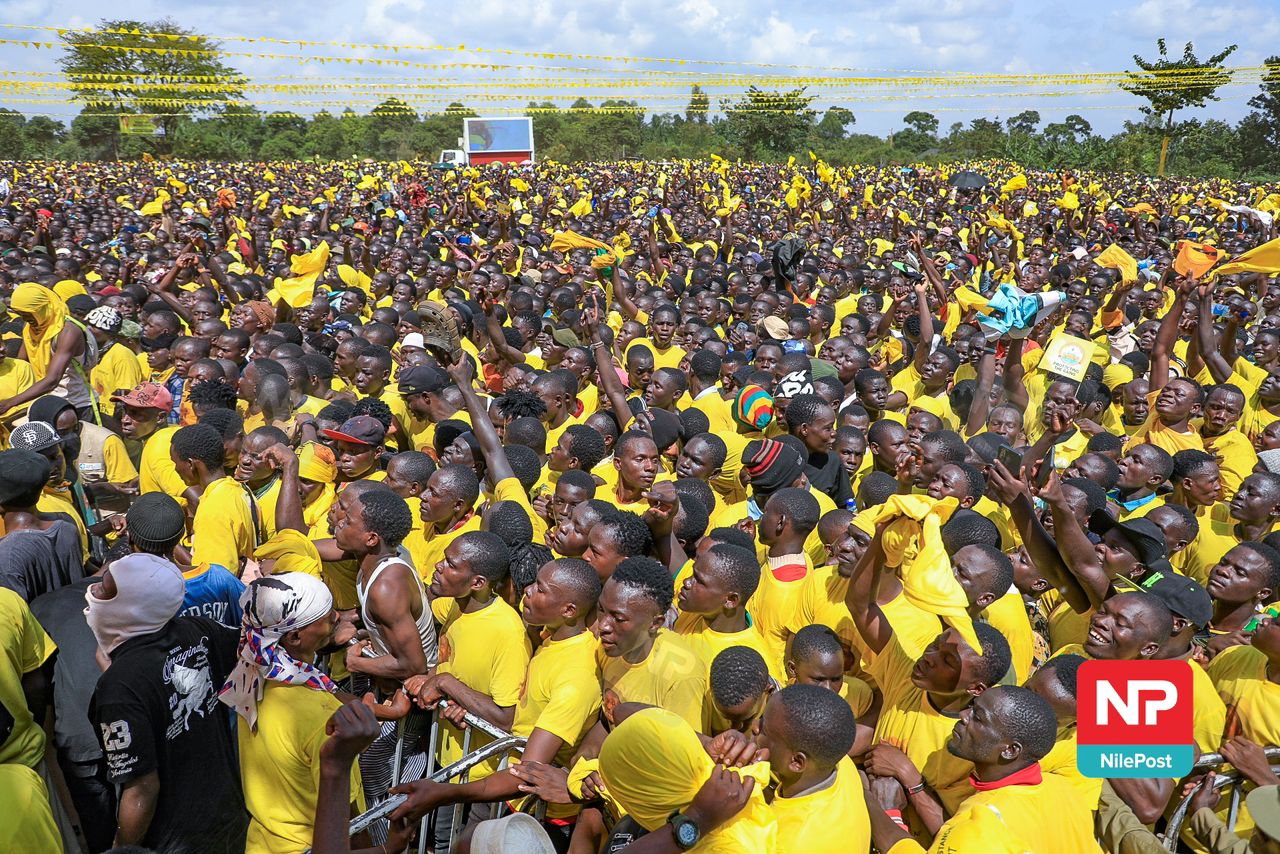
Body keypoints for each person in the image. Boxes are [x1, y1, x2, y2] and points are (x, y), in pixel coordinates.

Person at [87, 552, 248, 852]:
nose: (93, 590)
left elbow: (141, 789)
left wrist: (123, 847)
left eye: (105, 589)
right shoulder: (198, 630)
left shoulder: (118, 690)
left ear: (132, 607)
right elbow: (248, 648)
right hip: (228, 817)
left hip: (174, 842)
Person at [865, 686, 1103, 853]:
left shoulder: (982, 822)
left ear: (1010, 750)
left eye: (978, 718)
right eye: (972, 706)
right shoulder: (1062, 789)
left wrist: (880, 806)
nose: (963, 716)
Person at [221, 573, 357, 854]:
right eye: (326, 616)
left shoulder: (252, 674)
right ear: (295, 636)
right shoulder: (325, 718)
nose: (336, 617)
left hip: (261, 843)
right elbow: (350, 820)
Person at [757, 684, 870, 853]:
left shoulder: (787, 843)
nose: (754, 727)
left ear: (797, 762)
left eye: (764, 730)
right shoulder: (838, 762)